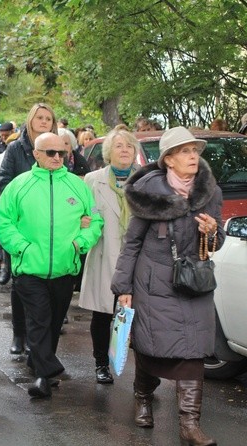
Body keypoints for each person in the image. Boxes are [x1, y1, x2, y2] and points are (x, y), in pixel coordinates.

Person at [111, 126, 225, 445]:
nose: (193, 157)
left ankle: (190, 426)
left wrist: (213, 230)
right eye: (185, 151)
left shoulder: (208, 192)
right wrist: (124, 288)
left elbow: (216, 243)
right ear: (169, 160)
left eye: (195, 151)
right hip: (154, 283)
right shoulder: (150, 193)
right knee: (152, 348)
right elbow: (131, 244)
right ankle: (143, 396)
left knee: (194, 351)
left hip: (193, 282)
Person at [0, 132, 103, 398]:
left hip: (65, 268)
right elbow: (1, 220)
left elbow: (95, 221)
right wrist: (22, 248)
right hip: (30, 268)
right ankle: (48, 371)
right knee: (39, 319)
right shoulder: (20, 185)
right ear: (36, 154)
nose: (57, 158)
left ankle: (42, 368)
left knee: (53, 323)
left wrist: (80, 244)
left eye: (61, 153)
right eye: (51, 153)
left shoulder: (78, 186)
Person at [79, 129, 141, 384]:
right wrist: (82, 222)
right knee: (103, 314)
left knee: (141, 315)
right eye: (118, 146)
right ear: (108, 153)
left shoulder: (145, 179)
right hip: (104, 256)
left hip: (137, 258)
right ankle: (101, 364)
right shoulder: (93, 180)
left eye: (129, 145)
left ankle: (144, 373)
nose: (125, 149)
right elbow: (83, 213)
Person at [0, 103, 58, 354]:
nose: (43, 121)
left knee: (49, 285)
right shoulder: (15, 148)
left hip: (52, 226)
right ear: (30, 120)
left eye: (48, 118)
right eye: (39, 118)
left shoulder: (58, 146)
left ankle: (42, 339)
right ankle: (19, 334)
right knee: (20, 281)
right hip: (22, 225)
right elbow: (4, 181)